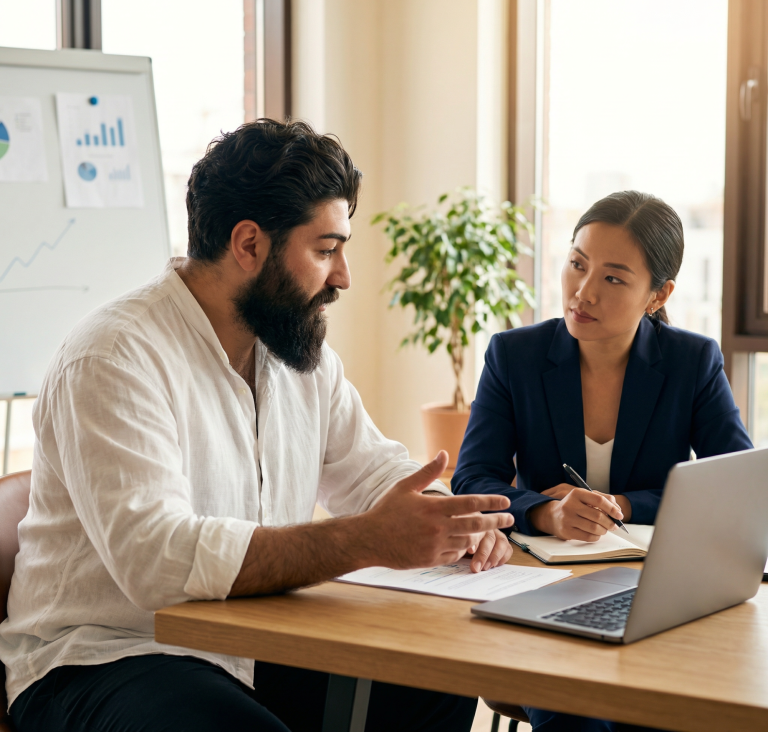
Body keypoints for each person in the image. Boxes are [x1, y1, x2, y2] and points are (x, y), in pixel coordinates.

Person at [0, 119, 515, 732]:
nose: (344, 276)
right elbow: (156, 562)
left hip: (252, 638)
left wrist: (447, 519)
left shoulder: (299, 355)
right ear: (249, 245)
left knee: (437, 678)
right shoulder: (113, 357)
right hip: (105, 655)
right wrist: (368, 540)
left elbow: (377, 471)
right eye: (326, 250)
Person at [452, 190, 752, 732]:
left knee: (662, 711)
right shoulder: (513, 356)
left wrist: (622, 504)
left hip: (654, 596)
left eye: (613, 278)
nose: (582, 292)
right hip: (540, 593)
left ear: (657, 295)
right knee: (578, 716)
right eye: (577, 264)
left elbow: (736, 490)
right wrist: (544, 512)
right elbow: (473, 478)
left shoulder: (692, 362)